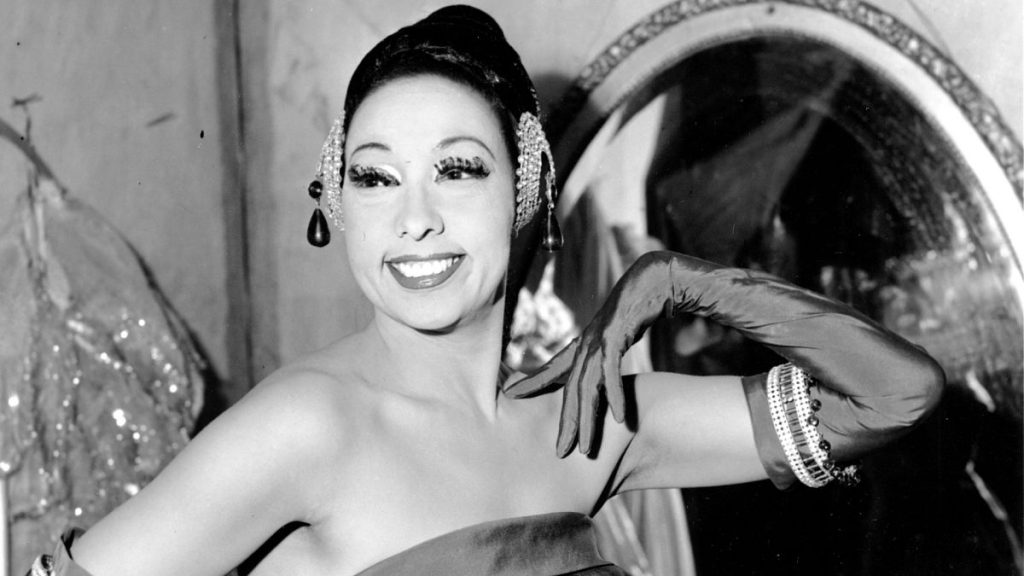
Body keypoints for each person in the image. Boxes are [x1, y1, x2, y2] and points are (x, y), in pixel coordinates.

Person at [29, 6, 944, 575]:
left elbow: (898, 394)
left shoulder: (593, 425)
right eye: (376, 178)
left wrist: (683, 279)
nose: (414, 218)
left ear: (528, 187)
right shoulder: (308, 425)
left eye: (457, 170)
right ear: (337, 202)